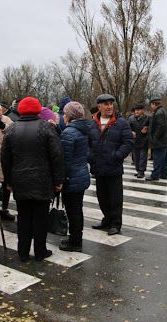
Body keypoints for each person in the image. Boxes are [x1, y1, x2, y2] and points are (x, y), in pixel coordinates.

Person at [1, 97, 64, 262]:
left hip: (20, 180)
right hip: (42, 180)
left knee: (23, 218)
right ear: (38, 110)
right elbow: (56, 156)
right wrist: (58, 180)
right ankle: (40, 251)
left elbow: (5, 159)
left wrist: (8, 182)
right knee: (40, 218)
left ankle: (23, 252)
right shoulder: (47, 128)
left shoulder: (11, 130)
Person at [89, 94, 134, 235]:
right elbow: (86, 143)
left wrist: (117, 156)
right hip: (98, 167)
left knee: (115, 198)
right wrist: (89, 157)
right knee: (102, 197)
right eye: (106, 104)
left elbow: (128, 143)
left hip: (113, 167)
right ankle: (106, 220)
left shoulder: (121, 123)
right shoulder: (92, 122)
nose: (109, 107)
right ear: (99, 107)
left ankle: (115, 223)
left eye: (110, 104)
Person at [58, 101, 92, 252]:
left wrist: (60, 179)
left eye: (65, 113)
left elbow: (64, 159)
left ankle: (74, 241)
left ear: (70, 116)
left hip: (71, 177)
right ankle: (77, 238)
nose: (63, 116)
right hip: (82, 174)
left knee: (72, 210)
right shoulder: (84, 129)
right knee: (78, 209)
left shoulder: (69, 132)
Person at [146, 97, 167, 181]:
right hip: (165, 140)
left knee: (157, 158)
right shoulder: (162, 111)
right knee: (163, 159)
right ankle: (164, 174)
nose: (151, 106)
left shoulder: (159, 113)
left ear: (154, 104)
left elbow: (161, 127)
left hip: (160, 141)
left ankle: (155, 175)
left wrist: (154, 138)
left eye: (151, 105)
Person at [129, 103, 150, 178]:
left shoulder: (148, 118)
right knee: (136, 157)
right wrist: (131, 132)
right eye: (135, 110)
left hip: (144, 140)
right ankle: (138, 170)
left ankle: (141, 171)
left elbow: (152, 128)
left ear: (142, 110)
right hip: (135, 141)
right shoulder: (131, 118)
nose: (136, 112)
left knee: (142, 157)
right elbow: (127, 128)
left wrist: (147, 129)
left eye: (138, 110)